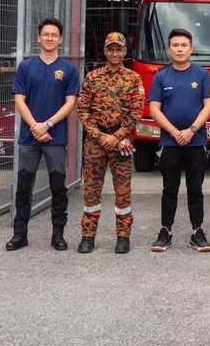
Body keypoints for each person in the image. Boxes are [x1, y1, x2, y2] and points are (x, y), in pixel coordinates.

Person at [6, 18, 80, 252]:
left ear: (60, 39)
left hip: (55, 138)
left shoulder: (68, 69)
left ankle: (57, 235)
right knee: (23, 187)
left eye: (54, 35)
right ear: (38, 38)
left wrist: (47, 124)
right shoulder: (26, 67)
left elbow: (70, 103)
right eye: (45, 34)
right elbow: (19, 99)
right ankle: (20, 235)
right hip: (29, 138)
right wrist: (35, 126)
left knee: (58, 186)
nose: (49, 38)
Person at [147, 28, 210, 253]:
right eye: (175, 45)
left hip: (196, 142)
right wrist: (175, 132)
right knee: (169, 189)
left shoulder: (202, 74)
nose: (179, 49)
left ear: (191, 49)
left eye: (184, 45)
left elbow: (209, 105)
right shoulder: (161, 76)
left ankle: (197, 232)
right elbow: (154, 109)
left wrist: (192, 129)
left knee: (195, 188)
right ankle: (165, 231)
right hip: (169, 143)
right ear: (169, 49)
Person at [76, 32, 144, 255]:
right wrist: (99, 135)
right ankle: (88, 236)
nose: (114, 53)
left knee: (123, 191)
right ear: (105, 51)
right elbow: (83, 110)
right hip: (96, 142)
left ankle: (123, 237)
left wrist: (116, 136)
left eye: (118, 49)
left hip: (121, 140)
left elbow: (136, 112)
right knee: (91, 191)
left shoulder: (133, 79)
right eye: (110, 49)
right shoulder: (92, 77)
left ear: (125, 52)